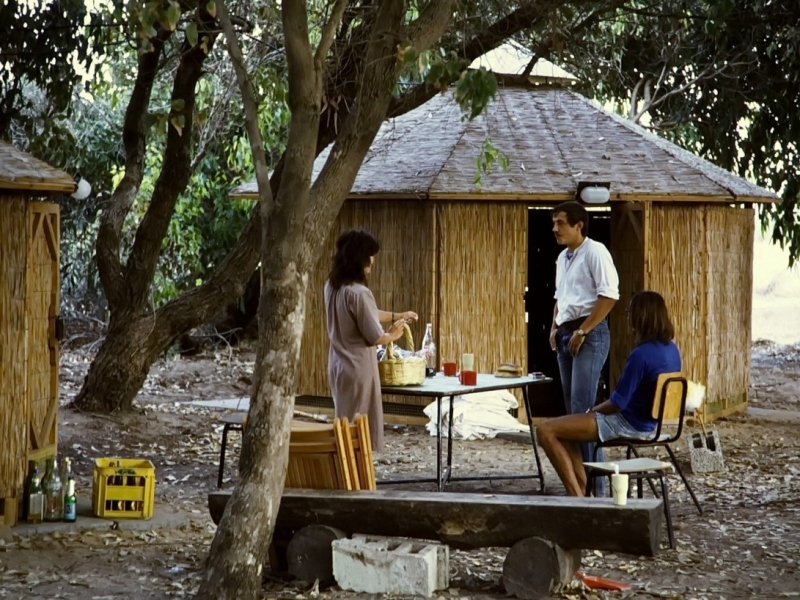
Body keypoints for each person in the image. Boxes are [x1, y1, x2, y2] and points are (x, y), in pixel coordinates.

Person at [537, 290, 682, 496]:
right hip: (650, 424)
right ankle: (583, 494)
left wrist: (592, 410)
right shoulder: (672, 350)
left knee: (545, 430)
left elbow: (617, 403)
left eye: (630, 311)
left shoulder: (641, 355)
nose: (628, 316)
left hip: (627, 423)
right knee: (565, 432)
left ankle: (576, 498)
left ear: (641, 316)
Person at [325, 229, 418, 452]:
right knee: (359, 428)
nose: (373, 261)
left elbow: (366, 313)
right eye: (370, 255)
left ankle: (345, 474)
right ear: (361, 259)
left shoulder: (332, 287)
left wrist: (397, 315)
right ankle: (356, 478)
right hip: (358, 367)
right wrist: (392, 336)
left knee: (343, 421)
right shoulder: (359, 292)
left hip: (338, 365)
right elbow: (375, 336)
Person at [549, 200, 619, 493]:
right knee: (573, 415)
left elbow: (609, 296)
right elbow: (561, 296)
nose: (555, 229)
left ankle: (596, 490)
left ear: (579, 225)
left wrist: (582, 330)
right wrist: (555, 326)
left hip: (588, 334)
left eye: (561, 223)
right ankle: (583, 484)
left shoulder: (595, 251)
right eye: (553, 223)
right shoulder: (563, 258)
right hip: (566, 333)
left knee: (582, 412)